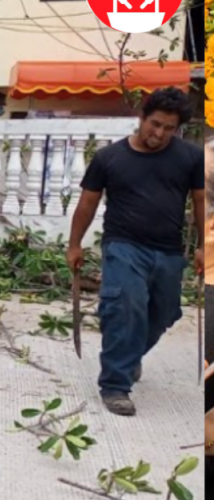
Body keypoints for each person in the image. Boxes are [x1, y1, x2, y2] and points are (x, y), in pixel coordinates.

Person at [66, 87, 204, 416]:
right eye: (155, 124)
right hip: (124, 245)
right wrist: (74, 244)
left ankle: (128, 356)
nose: (160, 134)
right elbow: (88, 202)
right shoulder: (109, 158)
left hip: (168, 251)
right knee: (125, 306)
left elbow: (200, 200)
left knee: (165, 312)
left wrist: (203, 246)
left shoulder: (189, 156)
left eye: (169, 128)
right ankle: (115, 384)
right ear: (141, 117)